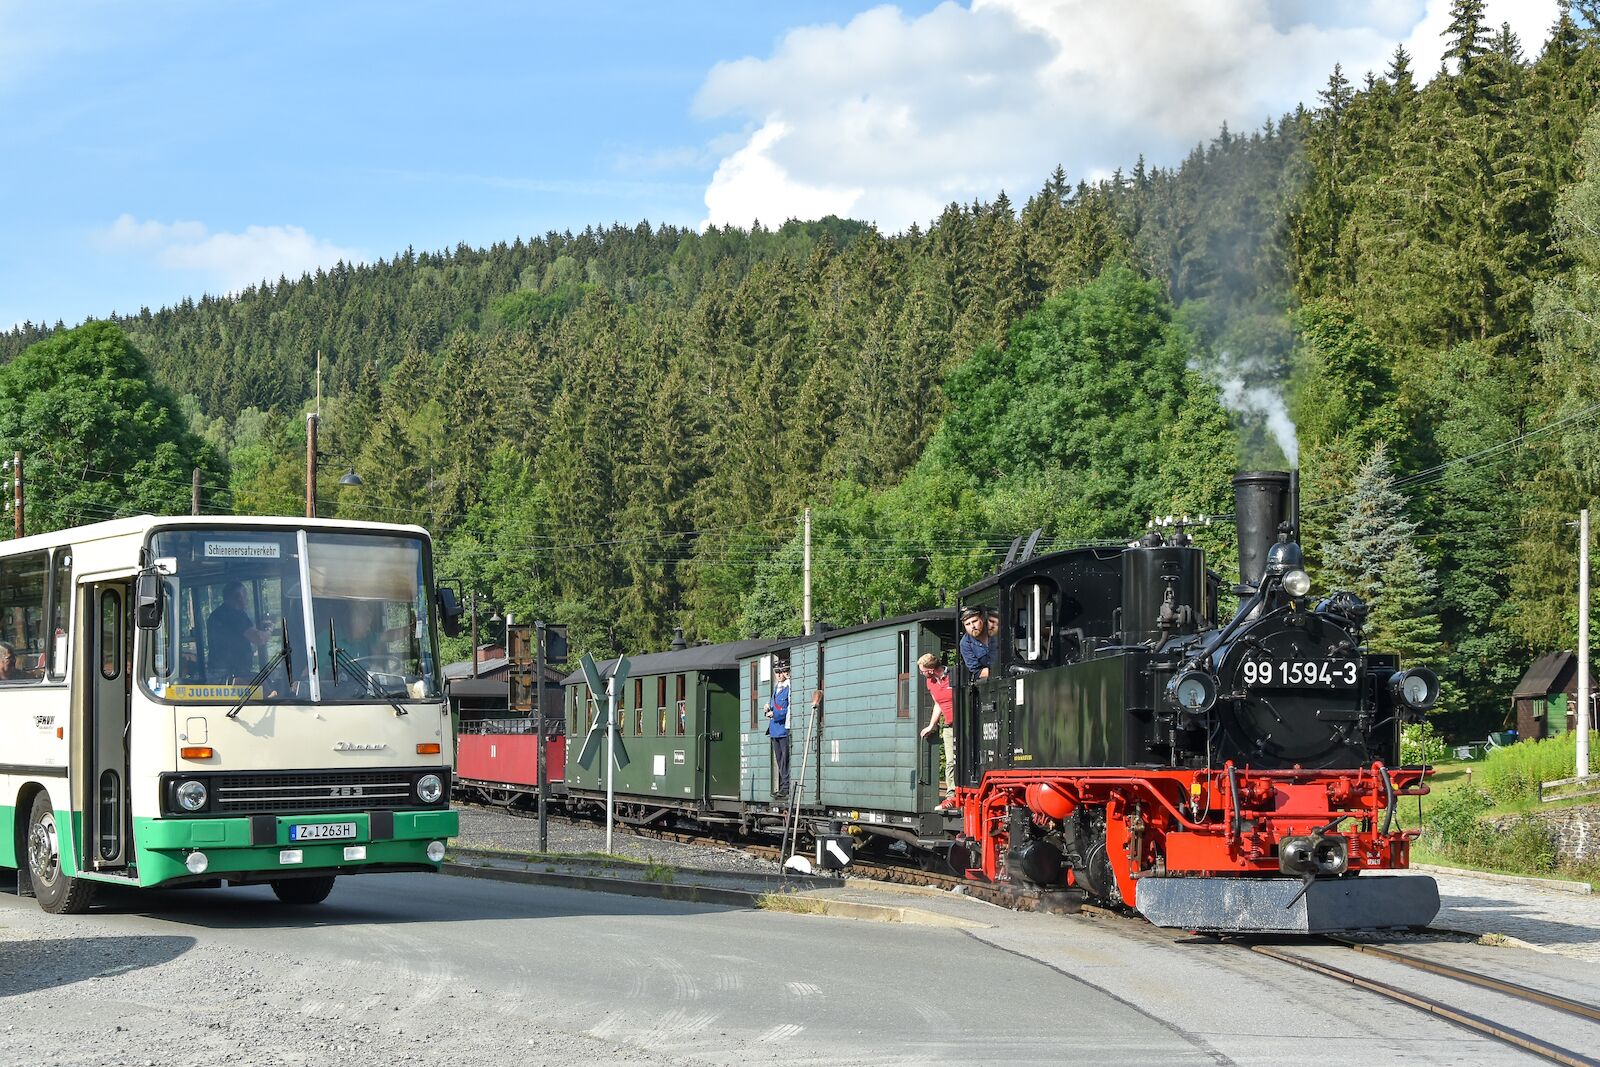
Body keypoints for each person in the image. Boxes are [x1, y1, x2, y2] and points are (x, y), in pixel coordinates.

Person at [917, 652, 957, 805]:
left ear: (931, 669)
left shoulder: (952, 675)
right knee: (950, 761)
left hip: (962, 723)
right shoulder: (931, 682)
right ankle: (951, 795)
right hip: (948, 725)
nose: (922, 673)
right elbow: (938, 704)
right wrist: (932, 725)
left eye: (923, 671)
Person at [208, 581, 268, 682]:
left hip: (217, 674)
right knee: (265, 687)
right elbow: (259, 639)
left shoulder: (216, 615)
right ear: (238, 597)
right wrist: (269, 629)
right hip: (233, 675)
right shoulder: (235, 615)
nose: (246, 599)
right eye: (245, 595)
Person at [764, 661, 791, 798]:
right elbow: (774, 704)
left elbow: (788, 709)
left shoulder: (788, 688)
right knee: (779, 759)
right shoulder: (777, 687)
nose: (779, 675)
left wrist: (775, 714)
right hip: (775, 729)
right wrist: (767, 707)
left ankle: (786, 786)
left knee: (784, 760)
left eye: (782, 672)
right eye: (777, 672)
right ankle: (783, 786)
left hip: (783, 729)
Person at [959, 607, 994, 680]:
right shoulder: (965, 644)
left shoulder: (995, 631)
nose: (972, 626)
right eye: (968, 624)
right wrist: (996, 672)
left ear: (982, 619)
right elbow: (977, 671)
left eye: (974, 621)